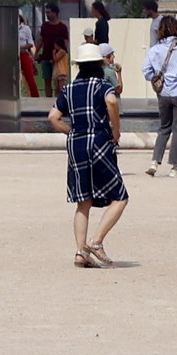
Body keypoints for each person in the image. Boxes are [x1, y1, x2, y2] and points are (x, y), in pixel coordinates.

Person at [60, 28, 127, 268]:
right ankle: (96, 241)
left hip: (77, 144)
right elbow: (111, 101)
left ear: (79, 65)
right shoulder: (101, 85)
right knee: (119, 197)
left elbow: (52, 117)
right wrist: (115, 130)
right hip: (99, 141)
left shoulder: (68, 89)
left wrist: (72, 131)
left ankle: (80, 252)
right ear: (99, 63)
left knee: (83, 201)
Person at [144, 14, 177, 169]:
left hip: (163, 93)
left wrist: (157, 78)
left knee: (164, 128)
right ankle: (175, 166)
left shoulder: (155, 49)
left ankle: (155, 162)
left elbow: (146, 71)